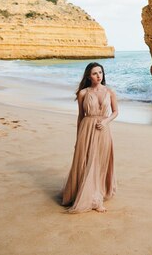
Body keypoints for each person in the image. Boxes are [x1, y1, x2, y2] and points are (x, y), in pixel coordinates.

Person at [61, 62, 118, 213]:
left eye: (100, 72)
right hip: (87, 130)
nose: (99, 76)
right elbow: (80, 116)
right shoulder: (83, 93)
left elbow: (115, 112)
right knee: (88, 163)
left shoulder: (110, 92)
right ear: (88, 76)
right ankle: (94, 199)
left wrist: (105, 121)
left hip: (104, 130)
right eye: (95, 73)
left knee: (101, 162)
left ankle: (97, 193)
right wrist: (78, 137)